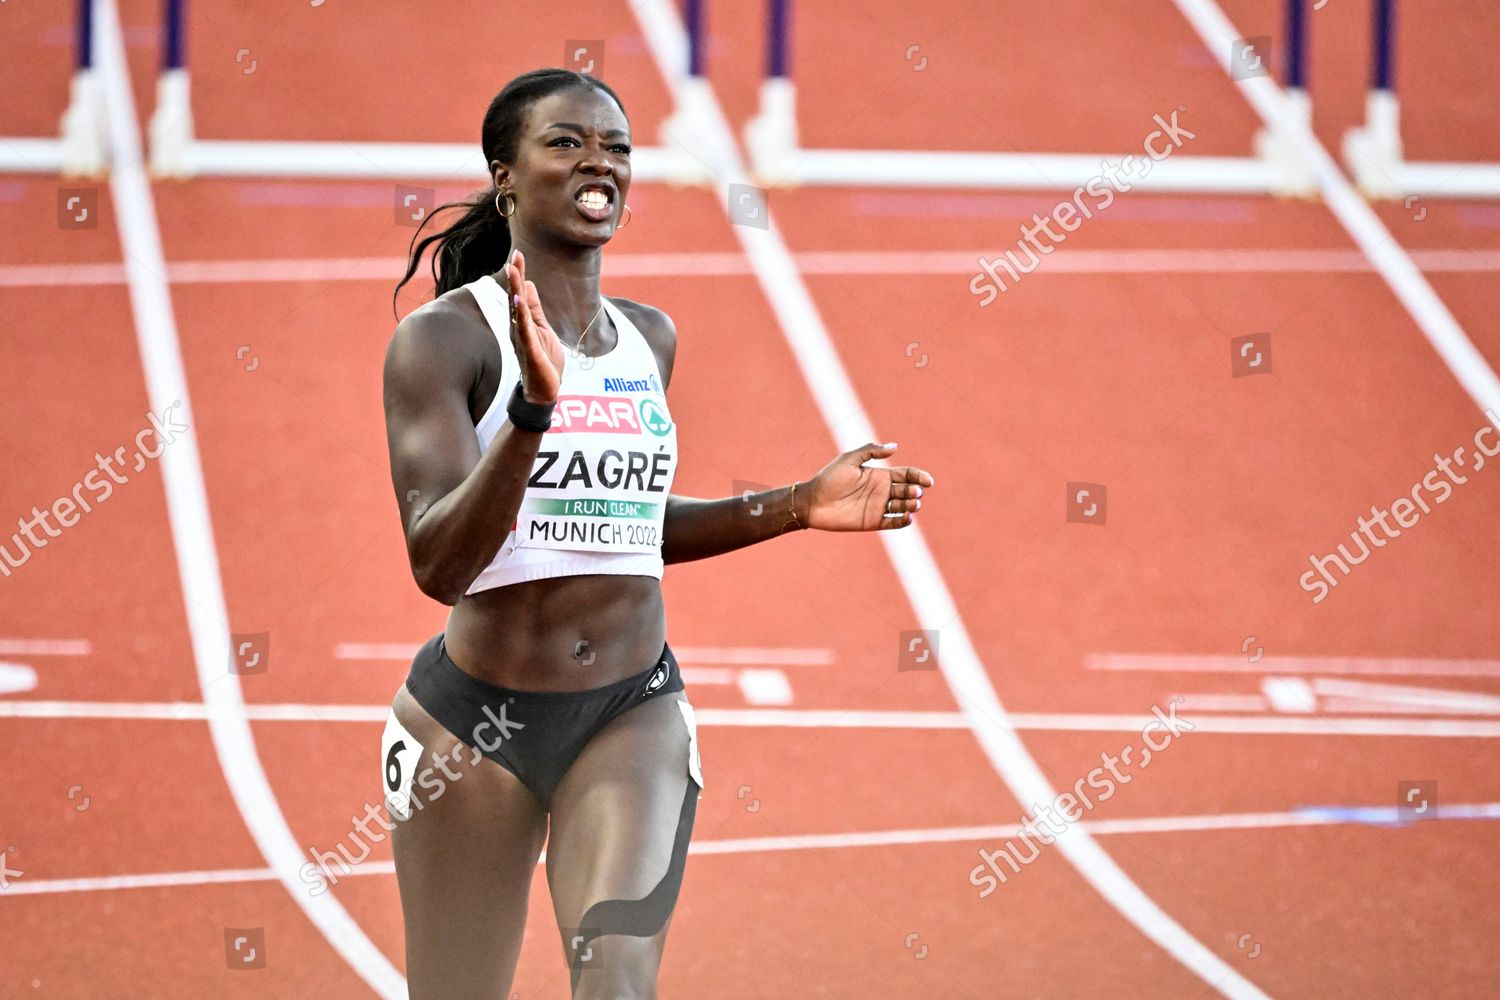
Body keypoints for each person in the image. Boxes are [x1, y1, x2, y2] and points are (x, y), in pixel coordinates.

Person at [380, 67, 934, 999]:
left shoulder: (649, 338)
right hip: (474, 723)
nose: (599, 162)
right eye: (566, 142)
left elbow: (620, 526)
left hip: (629, 711)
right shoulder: (446, 342)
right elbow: (439, 563)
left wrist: (796, 505)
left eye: (618, 147)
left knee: (617, 979)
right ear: (504, 175)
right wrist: (529, 412)